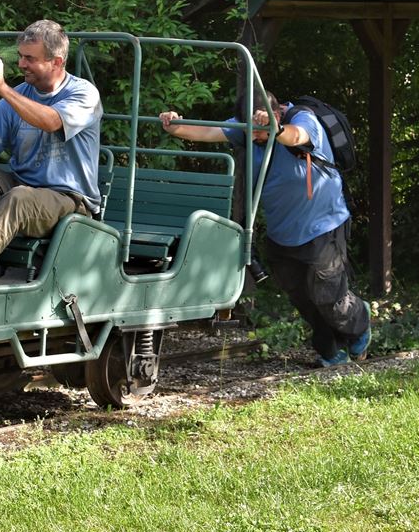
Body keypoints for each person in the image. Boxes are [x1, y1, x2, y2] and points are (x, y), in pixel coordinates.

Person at [157, 93, 371, 366]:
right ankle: (332, 351)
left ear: (276, 113)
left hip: (322, 224)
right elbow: (207, 130)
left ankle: (359, 322)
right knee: (302, 297)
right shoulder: (246, 126)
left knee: (328, 295)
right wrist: (173, 125)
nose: (255, 136)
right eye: (250, 129)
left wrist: (275, 129)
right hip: (282, 233)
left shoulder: (302, 118)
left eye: (259, 129)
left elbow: (296, 137)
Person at [0, 20, 103, 276]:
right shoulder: (14, 98)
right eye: (20, 56)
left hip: (69, 199)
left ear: (57, 62)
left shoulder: (84, 94)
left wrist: (2, 88)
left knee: (19, 198)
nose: (21, 64)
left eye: (30, 58)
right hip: (20, 185)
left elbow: (51, 121)